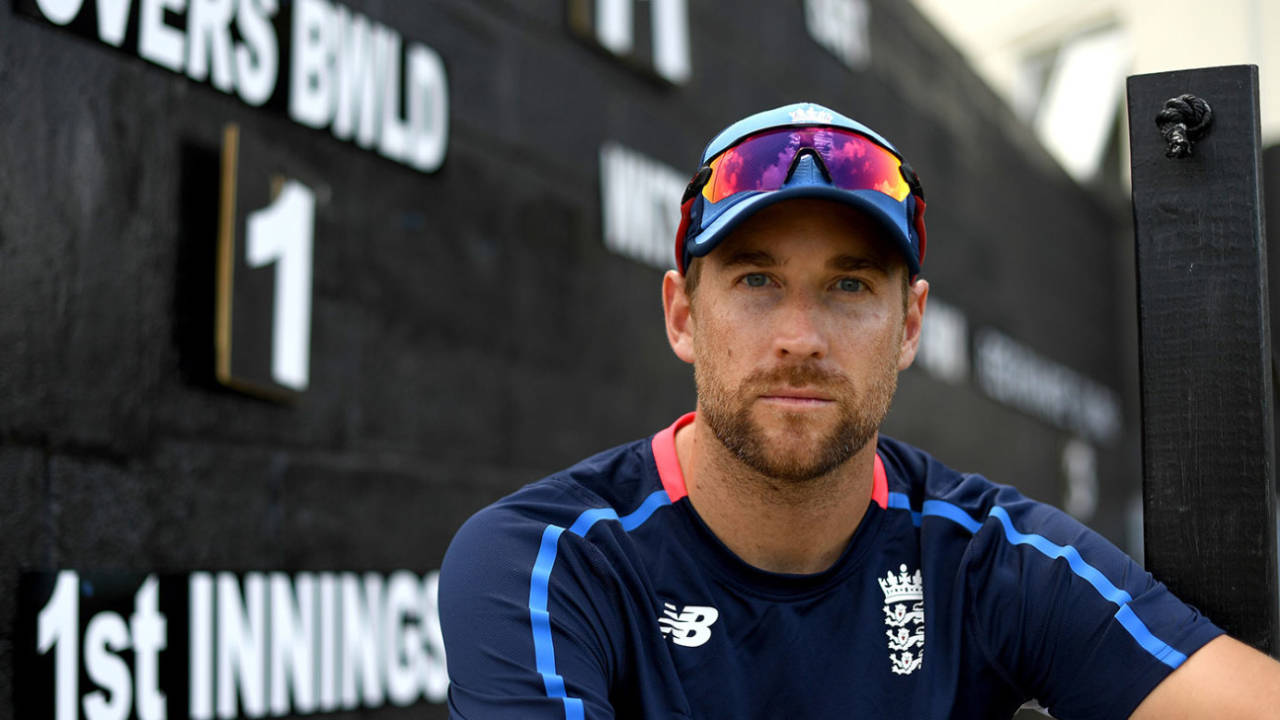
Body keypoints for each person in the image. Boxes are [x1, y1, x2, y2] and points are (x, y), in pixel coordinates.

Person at [438, 102, 1280, 719]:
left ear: (909, 324)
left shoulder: (986, 554)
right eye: (757, 281)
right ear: (683, 316)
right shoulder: (541, 565)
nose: (800, 338)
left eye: (849, 285)